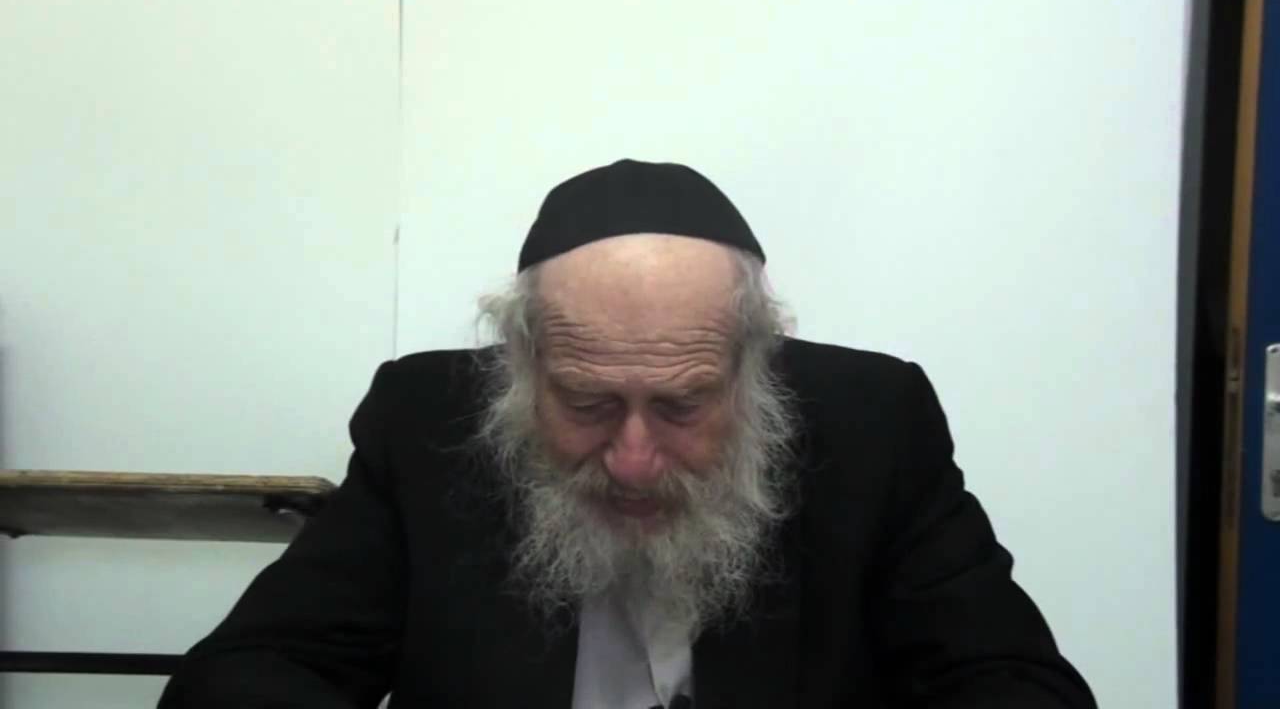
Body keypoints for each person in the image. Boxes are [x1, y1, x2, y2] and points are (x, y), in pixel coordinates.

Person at [159, 159, 1096, 708]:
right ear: (524, 366)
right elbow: (252, 672)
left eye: (683, 406)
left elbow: (1009, 682)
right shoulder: (426, 420)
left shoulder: (872, 423)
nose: (635, 460)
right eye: (587, 403)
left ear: (754, 370)